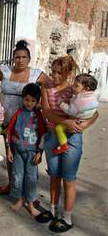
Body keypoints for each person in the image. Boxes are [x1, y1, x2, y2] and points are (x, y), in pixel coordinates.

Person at [41, 56, 98, 233]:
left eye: (60, 72)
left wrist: (83, 125)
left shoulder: (75, 89)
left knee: (69, 179)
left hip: (72, 139)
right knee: (54, 176)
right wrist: (65, 123)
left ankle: (67, 217)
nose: (55, 75)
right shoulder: (46, 87)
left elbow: (94, 113)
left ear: (68, 73)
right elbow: (47, 112)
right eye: (53, 71)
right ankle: (52, 210)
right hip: (53, 136)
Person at [0, 40, 51, 195]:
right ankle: (12, 184)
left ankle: (29, 193)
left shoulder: (36, 74)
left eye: (23, 57)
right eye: (17, 57)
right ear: (13, 58)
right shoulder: (5, 71)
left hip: (30, 124)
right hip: (8, 121)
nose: (20, 60)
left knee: (29, 156)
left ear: (29, 59)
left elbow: (51, 86)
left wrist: (43, 102)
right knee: (11, 155)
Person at [6, 83, 52, 223]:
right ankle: (20, 199)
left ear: (38, 101)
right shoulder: (18, 114)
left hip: (33, 154)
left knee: (31, 178)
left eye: (33, 101)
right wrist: (9, 148)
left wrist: (40, 152)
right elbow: (9, 131)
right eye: (27, 100)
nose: (29, 103)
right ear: (22, 99)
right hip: (17, 152)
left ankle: (31, 203)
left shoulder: (39, 115)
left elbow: (43, 134)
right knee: (17, 176)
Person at [53, 73, 98, 154]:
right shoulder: (92, 96)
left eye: (76, 86)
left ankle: (63, 145)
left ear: (86, 89)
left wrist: (61, 104)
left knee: (59, 128)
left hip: (76, 122)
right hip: (81, 122)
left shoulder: (80, 100)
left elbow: (71, 111)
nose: (73, 87)